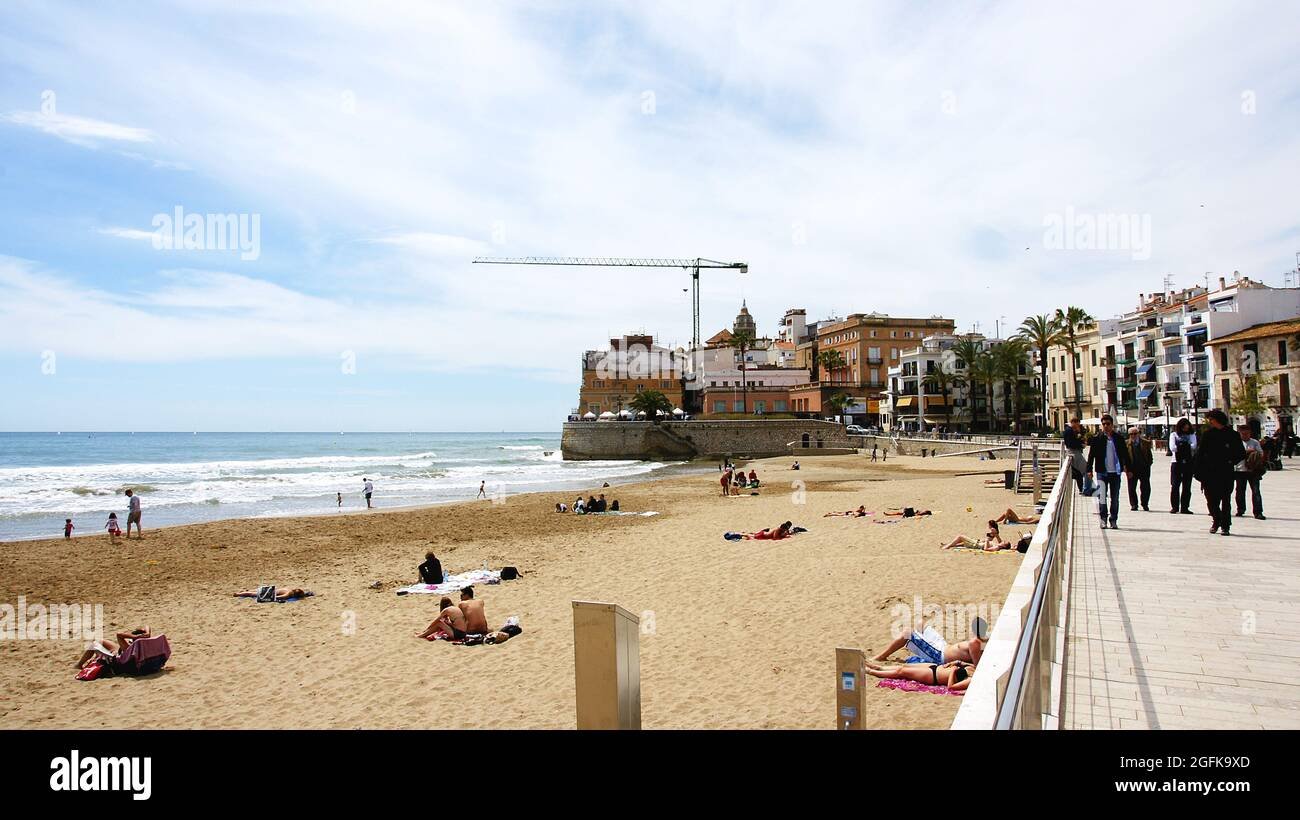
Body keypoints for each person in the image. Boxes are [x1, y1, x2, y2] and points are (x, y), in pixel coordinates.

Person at [1195, 409, 1246, 536]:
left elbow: (1240, 453)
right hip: (1209, 472)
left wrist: (1230, 461)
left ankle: (1225, 525)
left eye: (1211, 419)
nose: (1210, 422)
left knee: (1225, 499)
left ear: (1217, 419)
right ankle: (1216, 520)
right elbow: (1200, 453)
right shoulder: (1208, 434)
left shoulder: (1232, 435)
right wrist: (1198, 469)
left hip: (1225, 471)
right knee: (1211, 500)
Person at [1085, 414, 1131, 530]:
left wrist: (1128, 469)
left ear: (1112, 425)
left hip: (1115, 472)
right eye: (1104, 424)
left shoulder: (1118, 438)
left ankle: (1114, 520)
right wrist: (1089, 470)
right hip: (1102, 471)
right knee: (1102, 497)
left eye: (1108, 424)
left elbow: (1125, 455)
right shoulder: (1097, 439)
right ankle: (1103, 519)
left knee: (1115, 498)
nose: (1105, 426)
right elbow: (1091, 456)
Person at [872, 621, 984, 665]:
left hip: (939, 656)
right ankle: (916, 645)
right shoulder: (980, 642)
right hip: (943, 646)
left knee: (907, 633)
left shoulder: (975, 643)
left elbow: (977, 666)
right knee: (921, 625)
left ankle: (882, 656)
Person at [862, 659, 975, 691]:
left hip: (933, 676)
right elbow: (960, 662)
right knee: (904, 667)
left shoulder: (972, 679)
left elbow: (951, 687)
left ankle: (872, 672)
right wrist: (954, 663)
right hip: (935, 666)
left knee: (902, 672)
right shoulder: (974, 668)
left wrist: (953, 672)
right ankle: (878, 667)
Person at [76, 626, 150, 669]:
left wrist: (135, 636)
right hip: (121, 652)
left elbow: (119, 634)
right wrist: (147, 633)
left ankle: (79, 665)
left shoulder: (129, 648)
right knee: (100, 641)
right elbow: (147, 626)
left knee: (94, 645)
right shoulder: (145, 644)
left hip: (118, 656)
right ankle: (94, 658)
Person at [1233, 423, 1266, 520]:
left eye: (1246, 433)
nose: (1245, 435)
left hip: (1253, 470)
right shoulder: (1236, 442)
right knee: (1240, 491)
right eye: (1243, 434)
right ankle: (1240, 509)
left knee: (1256, 491)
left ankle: (1258, 511)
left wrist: (1255, 453)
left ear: (1250, 433)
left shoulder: (1255, 442)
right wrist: (1247, 451)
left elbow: (1261, 453)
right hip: (1240, 470)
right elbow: (1234, 454)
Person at [1168, 417, 1198, 514]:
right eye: (1184, 428)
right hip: (1176, 462)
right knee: (1175, 485)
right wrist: (1186, 446)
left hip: (1188, 462)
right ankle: (1175, 507)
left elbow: (1194, 445)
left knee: (1187, 486)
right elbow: (1172, 447)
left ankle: (1185, 507)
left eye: (1187, 427)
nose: (1186, 429)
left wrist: (1181, 446)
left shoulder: (1192, 435)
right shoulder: (1174, 435)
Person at [1126, 427, 1153, 512]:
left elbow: (1149, 455)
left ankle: (1145, 504)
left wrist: (1148, 464)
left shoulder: (1145, 442)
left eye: (1135, 433)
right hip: (1131, 469)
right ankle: (1134, 504)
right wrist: (1126, 469)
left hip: (1144, 468)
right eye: (1131, 434)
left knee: (1146, 487)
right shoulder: (1126, 444)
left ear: (1138, 434)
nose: (1133, 436)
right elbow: (1124, 458)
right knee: (1131, 487)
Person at [942, 520, 1009, 551]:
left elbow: (986, 549)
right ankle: (949, 544)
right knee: (962, 543)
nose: (1003, 541)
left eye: (1004, 542)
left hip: (977, 544)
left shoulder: (996, 547)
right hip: (978, 542)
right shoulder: (998, 545)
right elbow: (1000, 541)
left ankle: (947, 546)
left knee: (960, 536)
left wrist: (987, 541)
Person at [1063, 417, 1087, 493]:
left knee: (1078, 473)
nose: (1078, 426)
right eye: (1077, 424)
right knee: (1085, 469)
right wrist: (1081, 445)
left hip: (1073, 452)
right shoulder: (1069, 431)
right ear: (1074, 422)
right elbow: (1071, 443)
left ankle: (1082, 488)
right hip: (1074, 452)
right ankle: (1086, 488)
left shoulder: (1070, 430)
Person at [234, 586, 310, 601]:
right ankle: (238, 594)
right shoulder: (289, 594)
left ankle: (243, 591)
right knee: (252, 594)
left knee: (255, 591)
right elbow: (280, 597)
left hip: (272, 589)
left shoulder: (289, 589)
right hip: (270, 593)